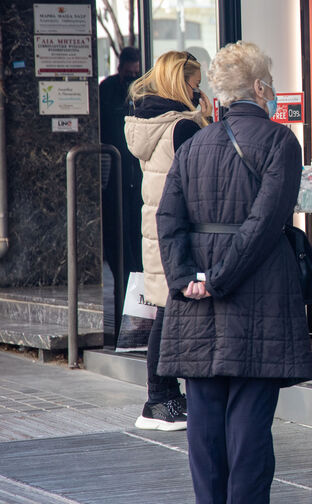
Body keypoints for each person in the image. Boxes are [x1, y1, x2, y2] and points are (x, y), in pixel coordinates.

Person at [155, 41, 312, 504]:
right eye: (271, 84)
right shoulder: (281, 141)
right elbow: (265, 225)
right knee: (250, 422)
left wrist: (188, 278)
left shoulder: (193, 144)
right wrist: (219, 278)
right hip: (258, 291)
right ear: (261, 87)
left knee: (203, 419)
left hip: (196, 294)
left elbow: (168, 220)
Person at [124, 51, 210, 430]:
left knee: (166, 308)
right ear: (182, 84)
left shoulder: (150, 122)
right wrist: (203, 117)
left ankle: (161, 397)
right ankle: (159, 399)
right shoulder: (182, 127)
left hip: (157, 223)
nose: (200, 90)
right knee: (170, 310)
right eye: (195, 84)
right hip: (177, 228)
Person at [100, 47, 143, 302]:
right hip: (114, 169)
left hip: (133, 171)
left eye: (136, 73)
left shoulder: (140, 92)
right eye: (129, 73)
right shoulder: (107, 90)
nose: (132, 77)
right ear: (120, 68)